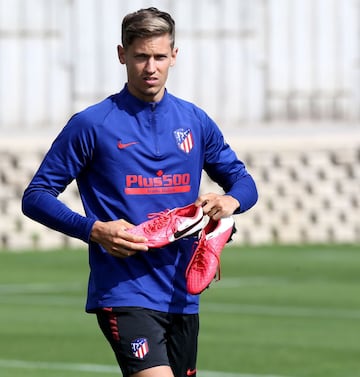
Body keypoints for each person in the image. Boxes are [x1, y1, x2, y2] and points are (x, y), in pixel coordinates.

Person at [22, 7, 258, 377]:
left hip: (182, 294)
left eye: (160, 57)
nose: (151, 67)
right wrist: (95, 230)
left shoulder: (194, 121)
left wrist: (229, 202)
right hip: (124, 291)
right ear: (122, 55)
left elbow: (244, 183)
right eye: (141, 56)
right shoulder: (92, 125)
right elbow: (36, 196)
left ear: (174, 56)